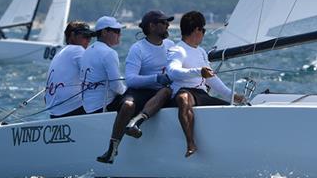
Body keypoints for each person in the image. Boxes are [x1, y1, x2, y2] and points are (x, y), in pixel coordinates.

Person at [95, 10, 175, 164]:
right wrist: (156, 78)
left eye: (168, 23)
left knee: (166, 91)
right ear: (152, 26)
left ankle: (135, 123)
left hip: (161, 92)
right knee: (127, 105)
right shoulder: (138, 48)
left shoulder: (171, 45)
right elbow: (131, 80)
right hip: (141, 91)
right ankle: (112, 149)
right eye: (164, 23)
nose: (168, 26)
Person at [167, 11, 242, 157]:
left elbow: (211, 78)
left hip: (200, 93)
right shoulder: (178, 50)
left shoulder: (201, 51)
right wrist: (198, 71)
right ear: (197, 30)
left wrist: (232, 95)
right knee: (183, 98)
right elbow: (172, 72)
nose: (204, 33)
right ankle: (190, 143)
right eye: (203, 30)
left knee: (231, 109)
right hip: (184, 91)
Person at [81, 16, 127, 161]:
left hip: (88, 107)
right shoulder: (109, 53)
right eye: (117, 31)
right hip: (103, 107)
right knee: (135, 98)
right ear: (105, 32)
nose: (120, 34)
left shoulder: (88, 50)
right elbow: (117, 86)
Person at [44, 21, 92, 118]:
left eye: (90, 37)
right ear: (72, 35)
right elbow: (94, 75)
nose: (88, 40)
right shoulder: (78, 50)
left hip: (53, 114)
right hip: (72, 111)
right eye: (85, 36)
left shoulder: (59, 53)